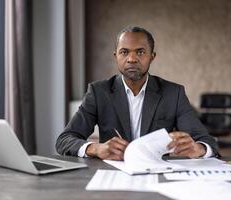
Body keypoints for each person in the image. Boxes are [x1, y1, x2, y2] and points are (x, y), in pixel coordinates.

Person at [56, 26, 218, 160]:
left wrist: (199, 148)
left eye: (140, 52)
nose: (132, 59)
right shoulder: (99, 92)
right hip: (113, 175)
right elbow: (64, 140)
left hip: (159, 173)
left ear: (152, 56)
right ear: (116, 56)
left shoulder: (173, 93)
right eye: (124, 52)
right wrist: (96, 148)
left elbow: (207, 142)